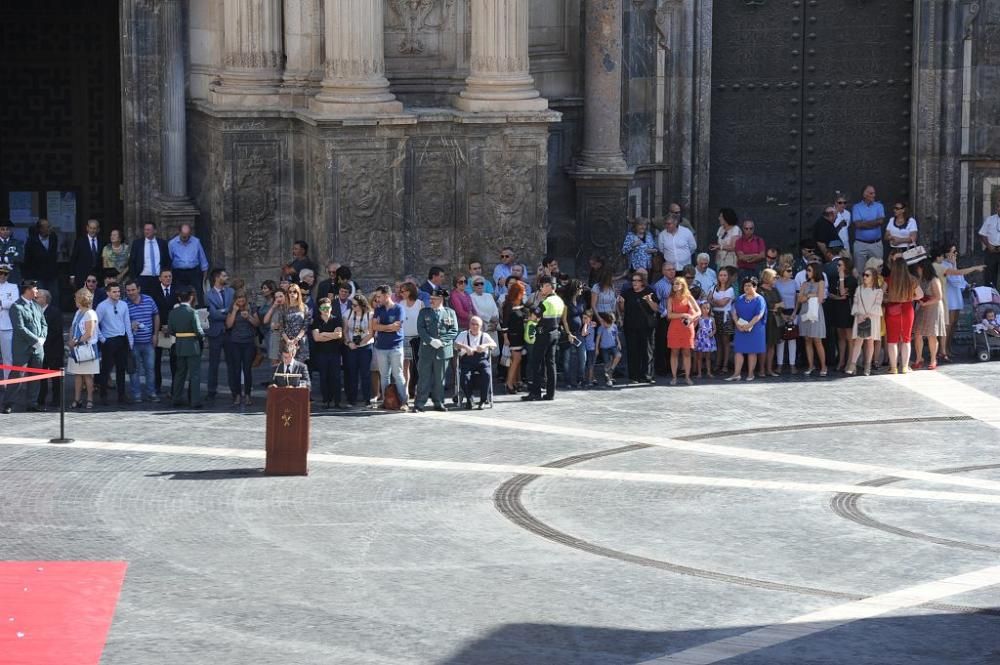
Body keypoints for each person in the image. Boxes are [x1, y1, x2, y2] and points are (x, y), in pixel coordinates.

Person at [2, 280, 47, 413]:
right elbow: (20, 328)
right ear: (27, 290)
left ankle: (32, 403)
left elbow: (44, 323)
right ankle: (8, 403)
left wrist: (42, 338)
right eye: (35, 288)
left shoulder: (36, 305)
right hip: (22, 348)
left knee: (36, 375)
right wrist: (35, 340)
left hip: (38, 347)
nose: (36, 291)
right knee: (17, 375)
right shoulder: (16, 306)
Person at [522, 277, 569, 401]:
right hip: (554, 332)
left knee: (536, 363)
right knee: (551, 363)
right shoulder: (559, 300)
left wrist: (530, 312)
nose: (541, 289)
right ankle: (550, 393)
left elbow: (533, 318)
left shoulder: (546, 302)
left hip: (543, 333)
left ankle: (535, 393)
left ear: (549, 286)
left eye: (542, 286)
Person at [414, 288, 459, 412]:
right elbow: (421, 329)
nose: (431, 301)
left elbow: (454, 330)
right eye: (430, 299)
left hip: (443, 350)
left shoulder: (450, 313)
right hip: (427, 350)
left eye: (434, 299)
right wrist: (430, 340)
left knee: (440, 379)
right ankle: (419, 404)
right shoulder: (424, 312)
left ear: (441, 299)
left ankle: (439, 402)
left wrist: (442, 341)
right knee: (424, 378)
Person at [937, 243, 984, 359]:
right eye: (953, 251)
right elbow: (955, 281)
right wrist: (954, 266)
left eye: (955, 251)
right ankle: (942, 351)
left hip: (956, 297)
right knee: (947, 325)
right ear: (946, 253)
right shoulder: (944, 265)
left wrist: (968, 284)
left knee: (953, 325)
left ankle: (948, 348)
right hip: (949, 298)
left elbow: (961, 280)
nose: (955, 254)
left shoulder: (953, 264)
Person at [95, 281, 133, 404]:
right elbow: (95, 324)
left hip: (122, 339)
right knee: (106, 369)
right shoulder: (102, 306)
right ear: (108, 293)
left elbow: (127, 323)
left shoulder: (123, 305)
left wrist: (130, 340)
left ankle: (122, 395)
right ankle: (103, 395)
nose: (117, 294)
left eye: (118, 291)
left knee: (121, 369)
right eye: (114, 292)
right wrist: (102, 339)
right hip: (109, 340)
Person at [372, 285, 408, 411]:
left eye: (379, 296)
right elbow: (374, 327)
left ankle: (404, 401)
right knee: (384, 375)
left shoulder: (399, 308)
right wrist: (388, 327)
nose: (377, 299)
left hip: (395, 347)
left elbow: (397, 326)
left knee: (398, 374)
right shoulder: (378, 309)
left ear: (387, 295)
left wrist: (382, 326)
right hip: (381, 347)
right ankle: (386, 401)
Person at [883, 257, 922, 374]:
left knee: (892, 340)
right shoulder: (912, 280)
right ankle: (905, 367)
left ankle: (893, 367)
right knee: (906, 339)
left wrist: (889, 298)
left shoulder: (889, 280)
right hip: (907, 309)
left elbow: (880, 295)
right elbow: (920, 295)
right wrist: (910, 298)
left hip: (892, 309)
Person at [167, 287, 205, 408]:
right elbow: (198, 331)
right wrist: (202, 336)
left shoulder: (173, 313)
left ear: (179, 298)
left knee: (179, 373)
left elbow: (171, 330)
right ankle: (195, 401)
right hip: (192, 345)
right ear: (191, 298)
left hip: (179, 344)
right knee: (194, 374)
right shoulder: (192, 312)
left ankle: (176, 398)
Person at [618, 271, 658, 384]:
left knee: (647, 351)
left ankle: (647, 375)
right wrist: (621, 303)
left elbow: (656, 308)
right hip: (630, 326)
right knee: (632, 351)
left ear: (643, 282)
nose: (635, 282)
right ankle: (634, 376)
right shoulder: (627, 292)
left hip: (646, 327)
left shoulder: (649, 292)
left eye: (638, 280)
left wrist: (649, 301)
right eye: (633, 280)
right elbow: (623, 310)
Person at [124, 280, 159, 403]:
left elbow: (156, 315)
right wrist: (129, 325)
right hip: (133, 343)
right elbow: (121, 322)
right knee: (134, 369)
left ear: (138, 289)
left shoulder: (149, 300)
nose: (131, 293)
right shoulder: (124, 304)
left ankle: (151, 393)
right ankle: (136, 394)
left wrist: (155, 334)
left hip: (148, 341)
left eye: (133, 290)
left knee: (150, 368)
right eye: (128, 290)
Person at [727, 276, 767, 382]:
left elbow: (759, 315)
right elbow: (733, 311)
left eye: (749, 285)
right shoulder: (740, 298)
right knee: (738, 351)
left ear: (755, 287)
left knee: (752, 352)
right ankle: (736, 374)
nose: (747, 287)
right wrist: (737, 323)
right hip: (740, 328)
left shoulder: (760, 299)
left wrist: (749, 325)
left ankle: (750, 374)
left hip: (755, 329)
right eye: (745, 285)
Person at [846, 267, 884, 376]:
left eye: (867, 275)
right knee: (858, 341)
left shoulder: (878, 291)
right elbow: (856, 302)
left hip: (871, 318)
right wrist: (859, 315)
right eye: (864, 274)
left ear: (873, 277)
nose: (864, 277)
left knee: (870, 342)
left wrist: (866, 315)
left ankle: (867, 365)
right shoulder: (859, 289)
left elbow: (877, 305)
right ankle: (853, 364)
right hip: (860, 317)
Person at [910, 258, 946, 370]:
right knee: (917, 333)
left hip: (933, 308)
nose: (918, 270)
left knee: (932, 334)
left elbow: (939, 297)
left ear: (923, 268)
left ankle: (933, 359)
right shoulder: (920, 279)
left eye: (919, 268)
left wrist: (926, 303)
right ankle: (918, 358)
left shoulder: (934, 280)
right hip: (923, 306)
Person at [204, 268, 235, 400]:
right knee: (213, 363)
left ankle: (235, 390)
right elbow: (213, 313)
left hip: (230, 331)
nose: (226, 277)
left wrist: (223, 311)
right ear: (217, 278)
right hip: (215, 332)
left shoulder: (231, 292)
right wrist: (226, 312)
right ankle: (211, 391)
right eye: (224, 275)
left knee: (232, 363)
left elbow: (234, 308)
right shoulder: (208, 295)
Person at [455, 315, 497, 409]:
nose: (474, 326)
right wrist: (465, 347)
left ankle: (483, 400)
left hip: (481, 360)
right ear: (469, 324)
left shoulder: (485, 335)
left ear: (480, 326)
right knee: (464, 377)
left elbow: (494, 344)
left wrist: (484, 346)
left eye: (476, 324)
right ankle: (470, 400)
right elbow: (456, 344)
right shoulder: (463, 334)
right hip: (467, 360)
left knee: (487, 374)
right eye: (472, 324)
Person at [66, 289, 99, 409]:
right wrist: (71, 341)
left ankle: (90, 400)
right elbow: (72, 327)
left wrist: (76, 342)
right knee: (78, 375)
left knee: (87, 376)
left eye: (76, 298)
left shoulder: (90, 313)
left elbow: (89, 333)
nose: (75, 300)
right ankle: (77, 399)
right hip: (76, 348)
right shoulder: (78, 312)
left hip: (86, 348)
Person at [225, 291, 259, 406]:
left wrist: (248, 316)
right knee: (236, 369)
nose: (241, 301)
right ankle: (237, 395)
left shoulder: (252, 307)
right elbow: (228, 325)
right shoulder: (232, 308)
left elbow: (257, 323)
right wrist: (234, 311)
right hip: (235, 342)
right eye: (238, 299)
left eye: (242, 298)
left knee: (247, 369)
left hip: (248, 342)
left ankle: (248, 394)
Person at [666, 276, 699, 385]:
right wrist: (683, 314)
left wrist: (691, 317)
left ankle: (687, 377)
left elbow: (698, 312)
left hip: (687, 328)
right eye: (674, 284)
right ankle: (674, 377)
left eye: (677, 284)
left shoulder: (688, 297)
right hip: (674, 328)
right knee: (674, 352)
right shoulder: (671, 298)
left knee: (687, 353)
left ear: (682, 286)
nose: (674, 286)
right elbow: (669, 315)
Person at [311, 297, 344, 408]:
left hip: (335, 353)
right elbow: (316, 338)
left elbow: (339, 335)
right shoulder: (316, 320)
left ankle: (337, 401)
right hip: (321, 353)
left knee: (336, 377)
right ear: (320, 309)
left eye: (328, 307)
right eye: (323, 307)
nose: (326, 309)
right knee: (323, 377)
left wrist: (324, 333)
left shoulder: (336, 319)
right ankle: (326, 400)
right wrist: (331, 335)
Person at [343, 293, 375, 407]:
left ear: (362, 305)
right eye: (352, 305)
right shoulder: (348, 313)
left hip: (365, 346)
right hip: (351, 346)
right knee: (352, 373)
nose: (353, 307)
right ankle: (352, 399)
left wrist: (361, 343)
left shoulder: (370, 314)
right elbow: (345, 331)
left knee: (365, 373)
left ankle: (367, 399)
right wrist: (349, 342)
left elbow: (371, 333)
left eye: (355, 305)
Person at [150, 269, 178, 394]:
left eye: (170, 276)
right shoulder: (153, 291)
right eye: (165, 276)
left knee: (174, 359)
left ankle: (175, 387)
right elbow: (153, 311)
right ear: (160, 278)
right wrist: (159, 327)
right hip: (158, 329)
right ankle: (157, 385)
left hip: (173, 330)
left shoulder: (177, 291)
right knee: (156, 360)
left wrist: (171, 326)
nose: (168, 278)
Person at [797, 262, 828, 376]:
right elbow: (800, 299)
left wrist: (809, 296)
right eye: (807, 270)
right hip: (805, 312)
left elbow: (820, 298)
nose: (807, 272)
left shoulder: (821, 282)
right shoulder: (804, 283)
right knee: (807, 340)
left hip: (815, 313)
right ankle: (811, 365)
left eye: (809, 270)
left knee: (817, 340)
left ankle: (823, 366)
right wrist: (809, 295)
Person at [827, 257, 857, 372]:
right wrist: (839, 297)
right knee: (840, 337)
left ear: (846, 266)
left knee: (849, 337)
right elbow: (830, 294)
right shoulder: (834, 279)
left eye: (840, 265)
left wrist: (841, 279)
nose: (837, 267)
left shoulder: (851, 280)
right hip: (837, 309)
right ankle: (841, 360)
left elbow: (843, 292)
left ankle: (850, 361)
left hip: (847, 310)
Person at [34, 289, 63, 408]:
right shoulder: (34, 310)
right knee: (41, 376)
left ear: (45, 299)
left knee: (56, 376)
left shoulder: (55, 312)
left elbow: (56, 331)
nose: (35, 299)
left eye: (38, 297)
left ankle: (57, 399)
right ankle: (40, 398)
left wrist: (42, 341)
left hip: (53, 349)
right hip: (40, 349)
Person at [168, 224, 209, 305]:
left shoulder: (196, 242)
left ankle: (199, 313)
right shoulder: (172, 243)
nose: (186, 238)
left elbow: (202, 258)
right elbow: (169, 259)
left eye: (187, 236)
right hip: (178, 272)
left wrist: (204, 276)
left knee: (198, 293)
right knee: (178, 293)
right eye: (183, 236)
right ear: (179, 232)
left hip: (194, 271)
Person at [499, 280, 527, 394]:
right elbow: (504, 323)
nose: (524, 292)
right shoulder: (509, 304)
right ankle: (509, 383)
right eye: (522, 290)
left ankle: (513, 382)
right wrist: (505, 338)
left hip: (520, 335)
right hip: (513, 336)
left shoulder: (520, 303)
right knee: (516, 360)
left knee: (517, 360)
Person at [128, 222, 171, 296]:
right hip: (143, 277)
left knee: (159, 299)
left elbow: (167, 260)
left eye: (149, 230)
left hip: (158, 278)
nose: (146, 232)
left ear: (155, 231)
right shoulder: (137, 243)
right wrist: (134, 278)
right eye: (145, 230)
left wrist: (165, 275)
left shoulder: (162, 243)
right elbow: (132, 261)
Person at [708, 266, 736, 373]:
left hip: (725, 317)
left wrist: (713, 300)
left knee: (725, 342)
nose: (723, 277)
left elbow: (722, 303)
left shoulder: (730, 289)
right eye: (721, 275)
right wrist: (716, 301)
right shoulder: (713, 287)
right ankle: (717, 364)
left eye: (725, 275)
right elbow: (708, 299)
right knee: (718, 341)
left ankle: (725, 365)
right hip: (715, 316)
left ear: (728, 277)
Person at [24, 218, 60, 301]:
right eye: (47, 227)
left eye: (49, 226)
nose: (50, 229)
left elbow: (54, 254)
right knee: (40, 297)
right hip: (38, 274)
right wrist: (28, 277)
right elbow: (27, 260)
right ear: (41, 229)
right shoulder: (32, 241)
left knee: (54, 296)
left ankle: (53, 313)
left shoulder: (53, 237)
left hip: (52, 273)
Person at [851, 185, 886, 271]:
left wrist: (864, 223)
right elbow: (858, 225)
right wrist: (875, 222)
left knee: (877, 272)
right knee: (860, 272)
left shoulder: (879, 206)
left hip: (876, 245)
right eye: (871, 193)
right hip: (860, 245)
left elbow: (881, 222)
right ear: (864, 194)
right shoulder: (856, 207)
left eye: (874, 193)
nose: (873, 195)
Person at [398, 282, 423, 398]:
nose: (401, 293)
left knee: (418, 366)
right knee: (405, 365)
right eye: (401, 291)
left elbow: (423, 321)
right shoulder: (400, 304)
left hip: (417, 338)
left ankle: (418, 389)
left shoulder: (419, 304)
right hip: (404, 337)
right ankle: (406, 390)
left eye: (403, 291)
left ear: (410, 291)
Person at [774, 263, 799, 375]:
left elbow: (797, 299)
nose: (791, 272)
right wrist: (781, 314)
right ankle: (779, 365)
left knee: (792, 338)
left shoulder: (794, 282)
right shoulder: (776, 284)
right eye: (788, 271)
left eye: (791, 270)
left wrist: (794, 313)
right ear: (782, 271)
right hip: (781, 313)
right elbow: (775, 299)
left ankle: (792, 364)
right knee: (781, 340)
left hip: (792, 312)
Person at [759, 268, 783, 377]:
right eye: (774, 277)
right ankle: (762, 370)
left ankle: (769, 369)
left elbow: (781, 304)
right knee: (763, 345)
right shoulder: (760, 291)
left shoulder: (775, 290)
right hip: (764, 321)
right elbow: (765, 306)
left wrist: (775, 306)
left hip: (774, 320)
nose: (776, 279)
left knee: (772, 345)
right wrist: (775, 306)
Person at [281, 283, 311, 365]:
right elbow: (281, 326)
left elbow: (305, 325)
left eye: (294, 292)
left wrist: (297, 339)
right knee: (289, 368)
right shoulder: (283, 308)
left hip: (301, 340)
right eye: (290, 292)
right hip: (287, 341)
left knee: (299, 368)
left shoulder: (304, 307)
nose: (292, 294)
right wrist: (288, 341)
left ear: (298, 293)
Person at [69, 219, 102, 290]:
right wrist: (72, 276)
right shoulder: (80, 241)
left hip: (97, 277)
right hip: (82, 276)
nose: (92, 230)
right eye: (90, 228)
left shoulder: (102, 241)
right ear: (87, 228)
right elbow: (73, 259)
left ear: (98, 229)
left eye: (94, 228)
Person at [0, 263, 20, 379]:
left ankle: (8, 384)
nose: (2, 276)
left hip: (7, 326)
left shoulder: (12, 287)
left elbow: (15, 302)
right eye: (0, 273)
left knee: (8, 357)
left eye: (5, 274)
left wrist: (2, 304)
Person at [594, 312, 622, 387]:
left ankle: (611, 370)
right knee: (607, 363)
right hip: (604, 348)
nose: (604, 324)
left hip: (613, 346)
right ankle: (609, 379)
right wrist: (597, 348)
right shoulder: (601, 328)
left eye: (604, 322)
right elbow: (598, 338)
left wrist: (619, 343)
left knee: (618, 355)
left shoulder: (614, 326)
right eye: (604, 323)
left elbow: (616, 335)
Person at [978, 198, 1000, 288]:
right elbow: (982, 234)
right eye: (998, 206)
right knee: (989, 276)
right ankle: (990, 298)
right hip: (990, 251)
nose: (999, 208)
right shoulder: (990, 219)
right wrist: (988, 245)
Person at [693, 301, 716, 378]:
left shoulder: (712, 319)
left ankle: (708, 372)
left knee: (708, 357)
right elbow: (695, 327)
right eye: (704, 308)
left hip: (709, 339)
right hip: (701, 338)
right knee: (699, 357)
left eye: (708, 308)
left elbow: (714, 329)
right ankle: (699, 373)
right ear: (700, 308)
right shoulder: (699, 318)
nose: (706, 310)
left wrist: (712, 333)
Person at [0, 220, 25, 285]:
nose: (5, 231)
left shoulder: (17, 243)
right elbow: (15, 257)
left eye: (7, 229)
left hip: (13, 276)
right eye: (2, 229)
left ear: (11, 231)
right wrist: (12, 257)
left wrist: (3, 259)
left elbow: (21, 258)